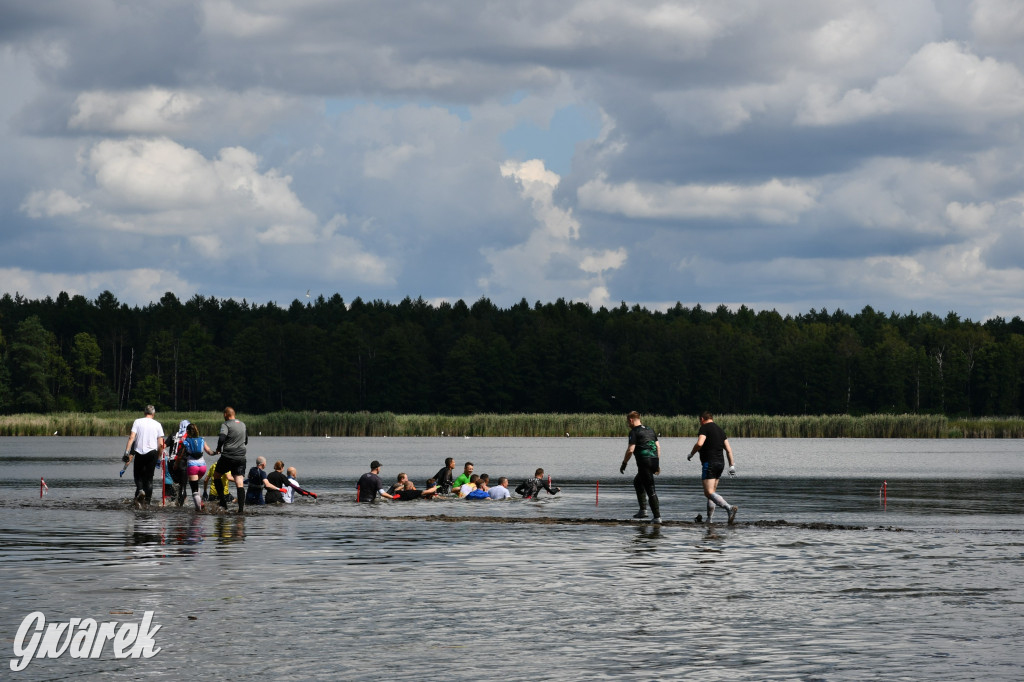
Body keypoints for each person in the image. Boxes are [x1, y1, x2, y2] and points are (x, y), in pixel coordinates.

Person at [687, 411, 738, 524]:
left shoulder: (704, 428)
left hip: (709, 463)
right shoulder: (720, 430)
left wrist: (691, 454)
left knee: (708, 492)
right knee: (712, 492)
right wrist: (732, 466)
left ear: (702, 419)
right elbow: (729, 450)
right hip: (720, 463)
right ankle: (709, 520)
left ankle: (729, 508)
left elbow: (700, 443)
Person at [620, 411, 661, 523]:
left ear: (631, 420)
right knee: (638, 482)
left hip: (644, 462)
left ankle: (657, 517)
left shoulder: (634, 432)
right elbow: (658, 447)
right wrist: (657, 463)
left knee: (650, 489)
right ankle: (643, 511)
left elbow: (630, 450)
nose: (628, 424)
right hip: (654, 460)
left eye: (628, 422)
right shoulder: (650, 429)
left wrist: (624, 463)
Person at [123, 405, 165, 507]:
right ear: (153, 413)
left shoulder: (137, 421)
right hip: (152, 453)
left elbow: (131, 437)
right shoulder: (158, 424)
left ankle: (141, 490)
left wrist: (126, 453)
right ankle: (148, 503)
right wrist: (159, 458)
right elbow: (161, 444)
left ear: (144, 412)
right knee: (149, 479)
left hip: (139, 453)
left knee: (138, 476)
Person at [214, 406, 248, 513]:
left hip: (228, 456)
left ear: (226, 415)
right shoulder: (243, 424)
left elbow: (222, 438)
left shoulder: (225, 424)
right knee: (239, 483)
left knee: (217, 476)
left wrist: (219, 448)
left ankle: (223, 503)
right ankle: (241, 510)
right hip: (241, 457)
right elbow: (246, 440)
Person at [182, 422, 215, 510]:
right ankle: (201, 502)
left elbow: (181, 455)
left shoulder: (186, 442)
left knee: (194, 491)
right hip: (203, 467)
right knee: (196, 484)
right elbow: (209, 452)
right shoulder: (202, 440)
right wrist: (217, 452)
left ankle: (198, 511)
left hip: (193, 467)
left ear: (188, 431)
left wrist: (177, 463)